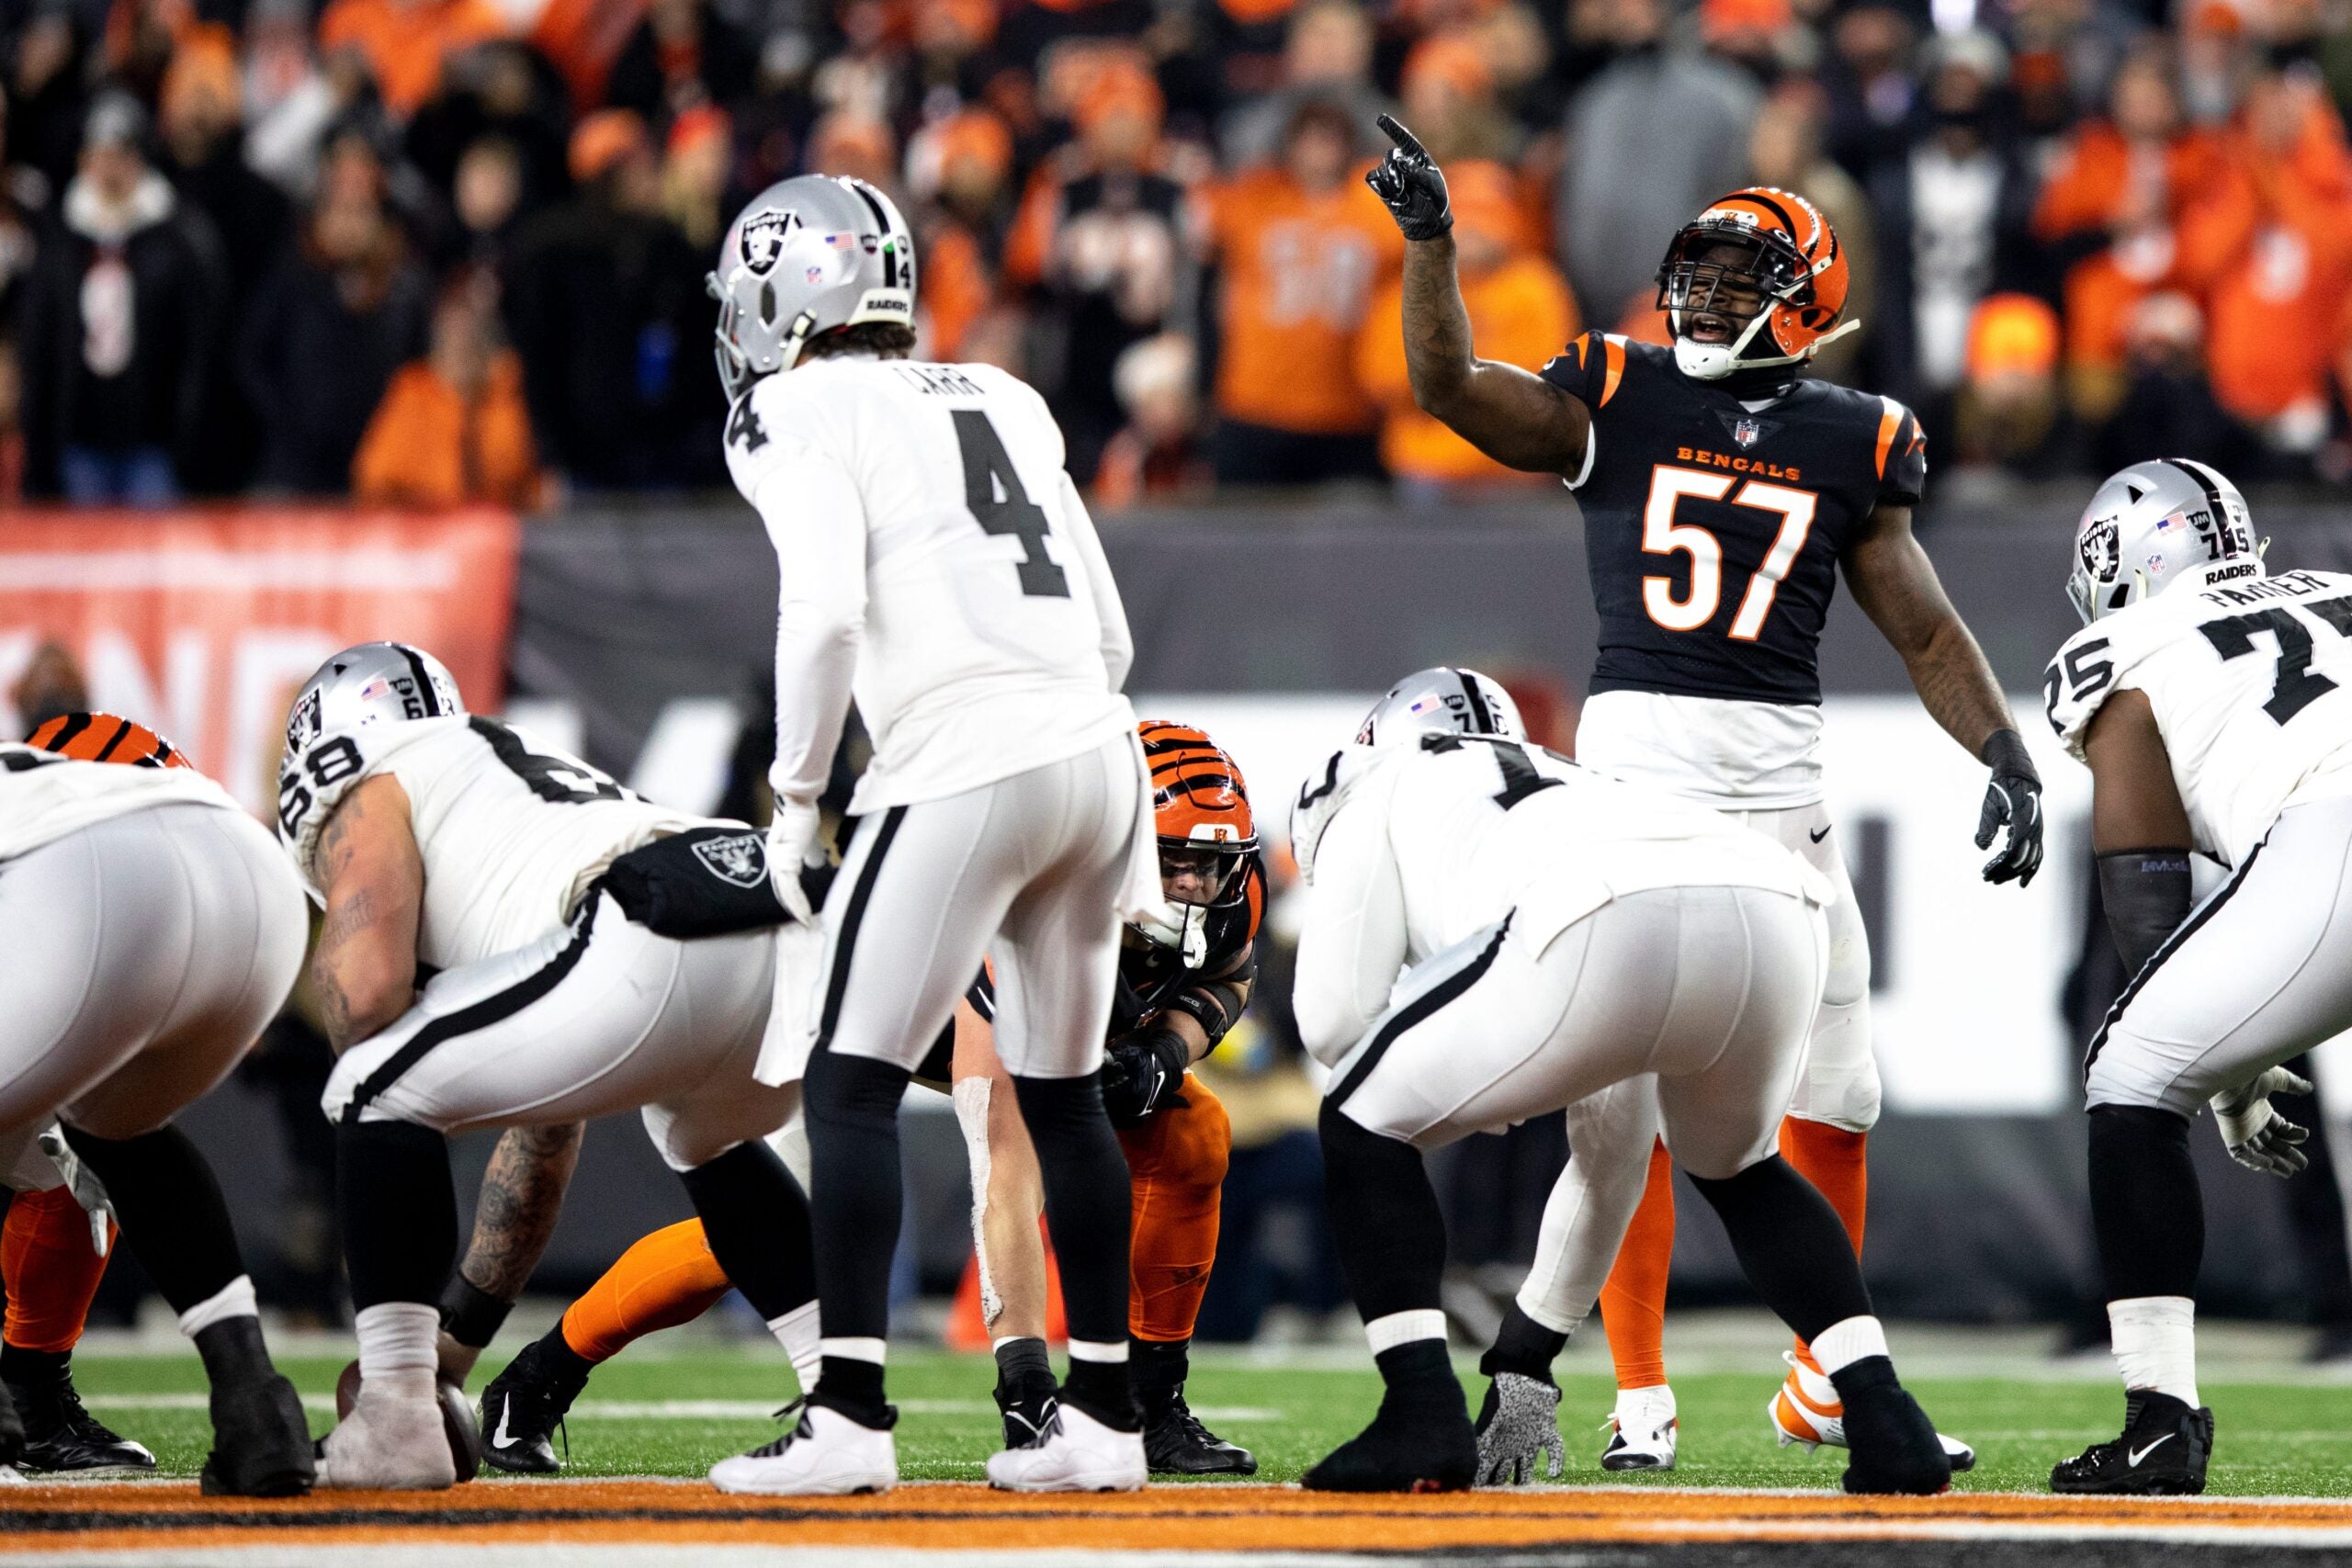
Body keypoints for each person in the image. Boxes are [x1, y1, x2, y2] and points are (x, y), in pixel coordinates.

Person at [1363, 117, 2041, 1474]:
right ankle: (1625, 1389)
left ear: (1813, 301)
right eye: (1705, 270)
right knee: (1619, 1127)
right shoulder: (1618, 385)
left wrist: (2004, 747)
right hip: (1634, 788)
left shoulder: (1863, 436)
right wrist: (1433, 248)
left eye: (1746, 277)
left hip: (1785, 798)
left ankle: (1821, 1379)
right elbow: (1447, 382)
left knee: (1841, 1092)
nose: (1712, 295)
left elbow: (1920, 625)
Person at [704, 175, 1156, 1495]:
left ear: (792, 292)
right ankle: (1110, 1417)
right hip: (1096, 743)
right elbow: (1114, 632)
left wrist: (797, 797)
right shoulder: (1006, 393)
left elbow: (828, 614)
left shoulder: (788, 404)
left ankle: (846, 1412)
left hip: (966, 758)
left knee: (846, 1083)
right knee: (1064, 1094)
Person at [477, 722, 1260, 1479]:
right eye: (1172, 861)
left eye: (1210, 865)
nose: (1195, 885)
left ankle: (1157, 1407)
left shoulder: (1227, 893)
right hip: (825, 1006)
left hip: (985, 1009)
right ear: (1110, 850)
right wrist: (1026, 1390)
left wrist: (1168, 1047)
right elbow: (1004, 1178)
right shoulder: (1019, 908)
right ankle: (539, 1376)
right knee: (777, 1234)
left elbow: (1228, 971)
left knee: (1195, 1132)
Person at [1286, 668, 1951, 1496]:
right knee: (1742, 1170)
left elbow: (1335, 1028)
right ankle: (1886, 1415)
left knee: (1358, 1121)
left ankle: (1418, 1406)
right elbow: (1612, 1162)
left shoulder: (1378, 785)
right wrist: (1524, 1361)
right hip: (1772, 902)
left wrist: (1466, 1094)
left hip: (1597, 917)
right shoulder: (1567, 784)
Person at [284, 643, 823, 1490]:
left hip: (648, 915)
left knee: (371, 1081)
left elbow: (367, 990)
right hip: (770, 902)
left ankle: (391, 1415)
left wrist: (407, 1370)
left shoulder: (376, 773)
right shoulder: (494, 778)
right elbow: (546, 1130)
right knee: (701, 1133)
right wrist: (452, 1356)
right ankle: (844, 1406)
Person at [2041, 459, 2352, 1494]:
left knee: (2128, 1072)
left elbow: (2144, 887)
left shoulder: (2123, 643)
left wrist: (2223, 1078)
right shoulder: (2325, 585)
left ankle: (2158, 1422)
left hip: (2334, 830)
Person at [0, 716, 314, 1495]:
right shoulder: (70, 767)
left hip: (88, 876)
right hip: (250, 875)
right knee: (118, 1133)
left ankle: (22, 1403)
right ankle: (255, 1406)